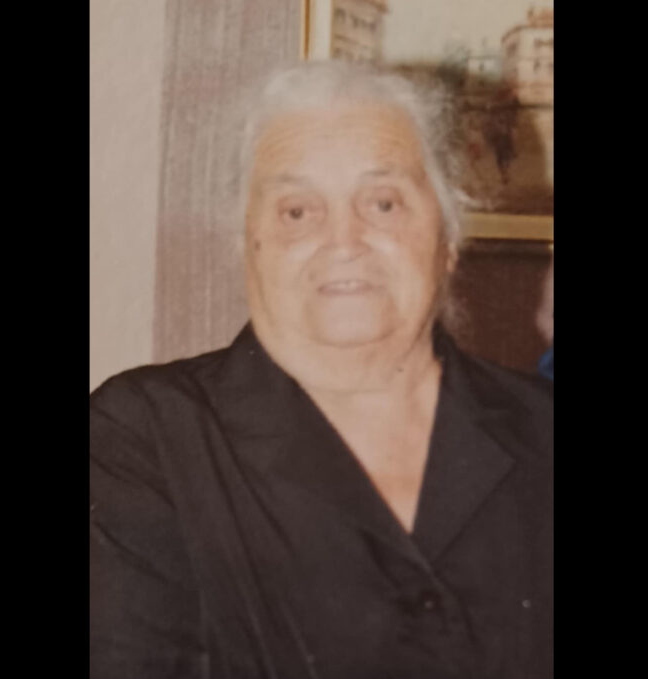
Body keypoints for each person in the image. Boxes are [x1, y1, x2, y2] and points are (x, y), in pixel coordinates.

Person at [90, 61, 553, 679]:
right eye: (296, 212)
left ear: (448, 238)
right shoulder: (145, 440)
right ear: (245, 242)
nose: (344, 240)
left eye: (383, 203)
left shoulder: (543, 429)